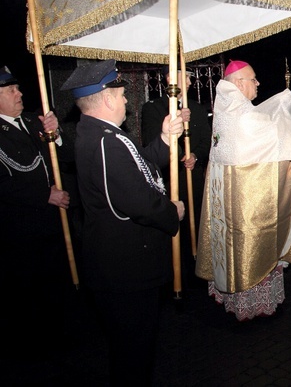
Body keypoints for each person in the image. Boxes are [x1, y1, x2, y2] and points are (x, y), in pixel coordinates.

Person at [61, 59, 186, 386]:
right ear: (106, 99)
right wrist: (173, 212)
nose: (127, 101)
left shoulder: (104, 135)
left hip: (119, 269)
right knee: (134, 354)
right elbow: (138, 202)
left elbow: (140, 166)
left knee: (132, 349)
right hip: (125, 269)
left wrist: (164, 138)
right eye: (121, 94)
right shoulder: (106, 142)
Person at [195, 60, 291, 321]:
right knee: (249, 248)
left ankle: (232, 300)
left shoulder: (225, 109)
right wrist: (284, 107)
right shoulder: (241, 116)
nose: (258, 83)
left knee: (230, 250)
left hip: (226, 204)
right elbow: (271, 131)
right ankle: (254, 306)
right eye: (253, 79)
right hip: (246, 206)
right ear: (238, 83)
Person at [0, 65, 75, 355]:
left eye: (17, 88)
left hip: (53, 224)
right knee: (27, 288)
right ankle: (31, 347)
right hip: (20, 230)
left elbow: (66, 158)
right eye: (11, 90)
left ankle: (58, 336)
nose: (20, 94)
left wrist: (55, 135)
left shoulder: (34, 122)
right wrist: (45, 195)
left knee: (54, 284)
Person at [141, 66, 211, 288]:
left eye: (191, 79)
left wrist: (195, 156)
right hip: (170, 180)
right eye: (186, 78)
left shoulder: (198, 109)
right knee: (174, 229)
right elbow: (152, 145)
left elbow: (206, 141)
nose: (190, 83)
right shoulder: (153, 108)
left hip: (193, 179)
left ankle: (197, 271)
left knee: (196, 225)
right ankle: (173, 276)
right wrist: (177, 118)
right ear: (170, 79)